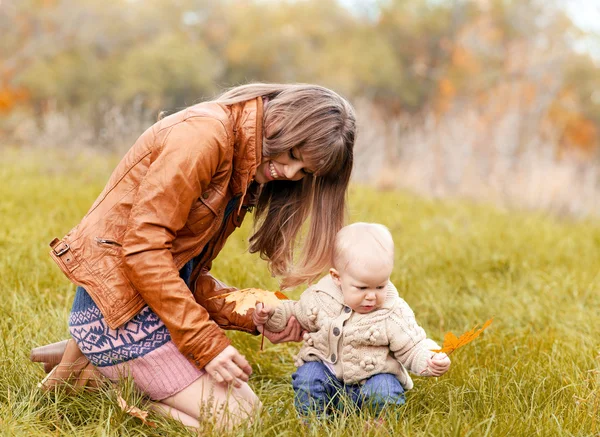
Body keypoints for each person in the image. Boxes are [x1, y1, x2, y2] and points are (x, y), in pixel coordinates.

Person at [32, 83, 356, 429]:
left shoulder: (244, 161)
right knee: (239, 421)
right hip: (116, 311)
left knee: (249, 415)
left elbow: (184, 272)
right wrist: (207, 346)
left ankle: (89, 360)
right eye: (293, 155)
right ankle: (95, 375)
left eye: (304, 171)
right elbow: (143, 252)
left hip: (148, 304)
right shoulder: (204, 136)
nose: (291, 174)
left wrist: (256, 313)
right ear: (283, 121)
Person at [253, 222, 451, 417]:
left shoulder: (392, 311)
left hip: (371, 382)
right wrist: (270, 315)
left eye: (380, 286)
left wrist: (430, 358)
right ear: (337, 277)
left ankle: (377, 425)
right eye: (362, 288)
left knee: (385, 389)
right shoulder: (320, 298)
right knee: (309, 376)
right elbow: (294, 313)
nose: (372, 296)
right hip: (328, 378)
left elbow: (413, 345)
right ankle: (312, 421)